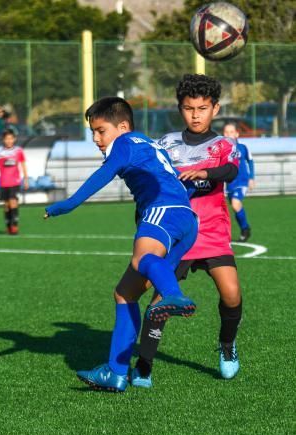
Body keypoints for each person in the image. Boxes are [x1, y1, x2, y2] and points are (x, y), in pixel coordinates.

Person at [44, 96, 199, 392]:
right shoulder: (149, 144)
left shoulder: (125, 143)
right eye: (92, 132)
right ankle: (115, 373)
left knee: (143, 260)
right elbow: (174, 179)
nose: (95, 139)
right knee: (125, 293)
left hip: (163, 212)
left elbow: (102, 175)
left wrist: (67, 204)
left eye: (101, 131)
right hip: (187, 220)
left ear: (123, 126)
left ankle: (174, 294)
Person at [131, 74, 243, 387]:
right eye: (188, 108)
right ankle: (144, 366)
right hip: (176, 235)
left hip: (212, 233)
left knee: (232, 294)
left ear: (215, 109)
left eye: (203, 108)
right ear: (180, 108)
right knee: (160, 302)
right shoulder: (166, 144)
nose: (195, 114)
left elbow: (231, 171)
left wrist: (205, 171)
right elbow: (150, 181)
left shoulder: (223, 146)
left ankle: (227, 347)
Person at [224, 122, 255, 242]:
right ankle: (244, 229)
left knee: (236, 204)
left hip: (242, 182)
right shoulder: (221, 149)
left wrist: (251, 177)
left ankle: (245, 229)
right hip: (230, 184)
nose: (228, 134)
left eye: (231, 132)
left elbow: (250, 161)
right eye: (226, 132)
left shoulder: (243, 147)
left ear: (236, 134)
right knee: (235, 207)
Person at [0, 129, 28, 234]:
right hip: (3, 182)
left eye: (11, 138)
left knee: (13, 202)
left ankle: (14, 226)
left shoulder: (18, 151)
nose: (9, 141)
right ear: (3, 140)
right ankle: (8, 225)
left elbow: (23, 165)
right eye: (7, 139)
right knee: (6, 205)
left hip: (14, 182)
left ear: (14, 139)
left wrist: (26, 179)